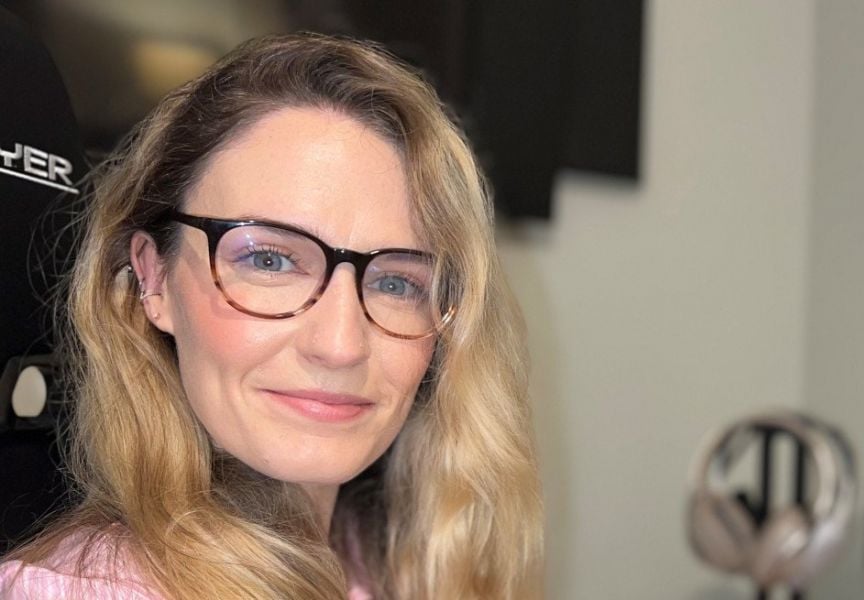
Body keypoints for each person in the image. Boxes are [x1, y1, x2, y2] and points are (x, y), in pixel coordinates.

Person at [0, 32, 542, 599]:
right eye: (270, 259)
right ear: (152, 278)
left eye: (396, 282)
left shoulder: (400, 571)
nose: (340, 344)